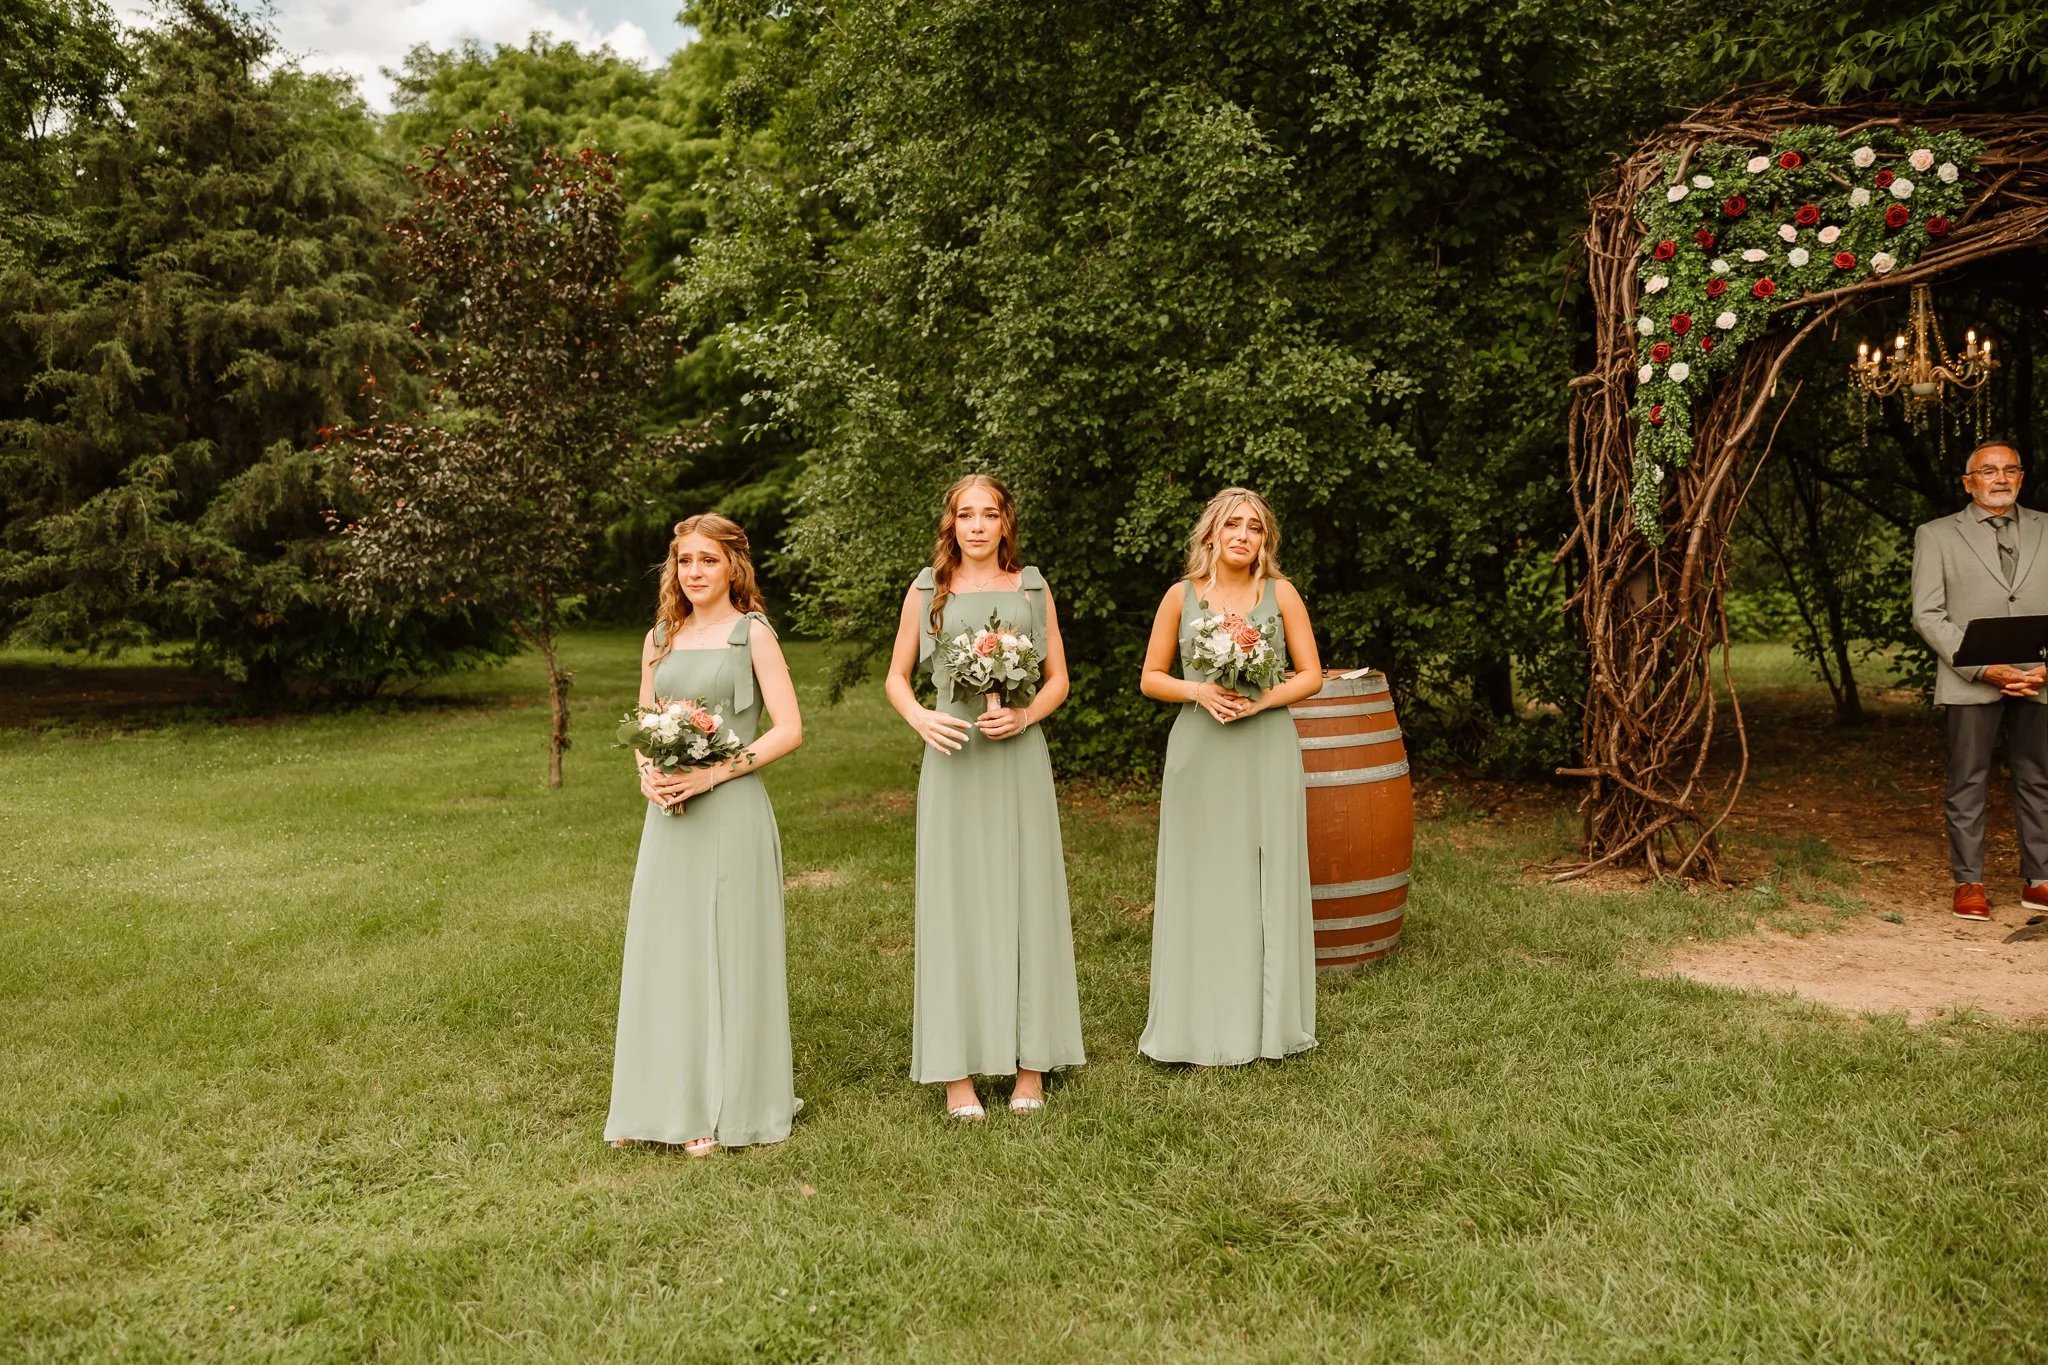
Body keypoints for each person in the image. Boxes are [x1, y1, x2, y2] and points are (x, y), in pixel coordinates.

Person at [884, 473, 1086, 1119]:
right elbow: (895, 677)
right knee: (955, 903)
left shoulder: (1031, 586)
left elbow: (1058, 679)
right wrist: (920, 716)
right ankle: (957, 1075)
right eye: (965, 514)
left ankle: (1031, 1067)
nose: (977, 525)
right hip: (953, 758)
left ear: (1005, 522)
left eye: (989, 513)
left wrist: (1026, 718)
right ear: (951, 523)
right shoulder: (928, 589)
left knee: (1028, 895)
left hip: (1017, 756)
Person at [606, 514, 805, 1154]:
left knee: (729, 953)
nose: (694, 573)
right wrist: (646, 774)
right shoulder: (660, 636)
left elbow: (788, 729)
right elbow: (643, 716)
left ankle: (731, 1103)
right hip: (668, 814)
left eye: (707, 561)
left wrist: (711, 775)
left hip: (732, 810)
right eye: (685, 561)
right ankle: (670, 1100)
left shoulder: (754, 636)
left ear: (732, 567)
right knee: (670, 954)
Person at [1137, 487, 1325, 1065]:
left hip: (1266, 747)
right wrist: (1199, 690)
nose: (1243, 535)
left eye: (1255, 528)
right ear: (1211, 535)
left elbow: (1312, 675)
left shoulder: (1281, 594)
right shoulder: (1181, 596)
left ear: (1265, 540)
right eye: (1232, 525)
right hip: (1200, 750)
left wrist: (1263, 701)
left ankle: (1269, 1027)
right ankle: (1195, 1024)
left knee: (1268, 879)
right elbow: (1150, 677)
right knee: (1204, 878)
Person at [1911, 438, 2048, 923]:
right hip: (1970, 679)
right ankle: (1969, 882)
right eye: (1988, 471)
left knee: (2040, 778)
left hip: (2041, 679)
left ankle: (2040, 880)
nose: (2000, 478)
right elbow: (1928, 615)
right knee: (1967, 780)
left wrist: (2046, 667)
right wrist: (1982, 668)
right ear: (1969, 482)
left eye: (2010, 469)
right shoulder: (1936, 535)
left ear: (2021, 477)